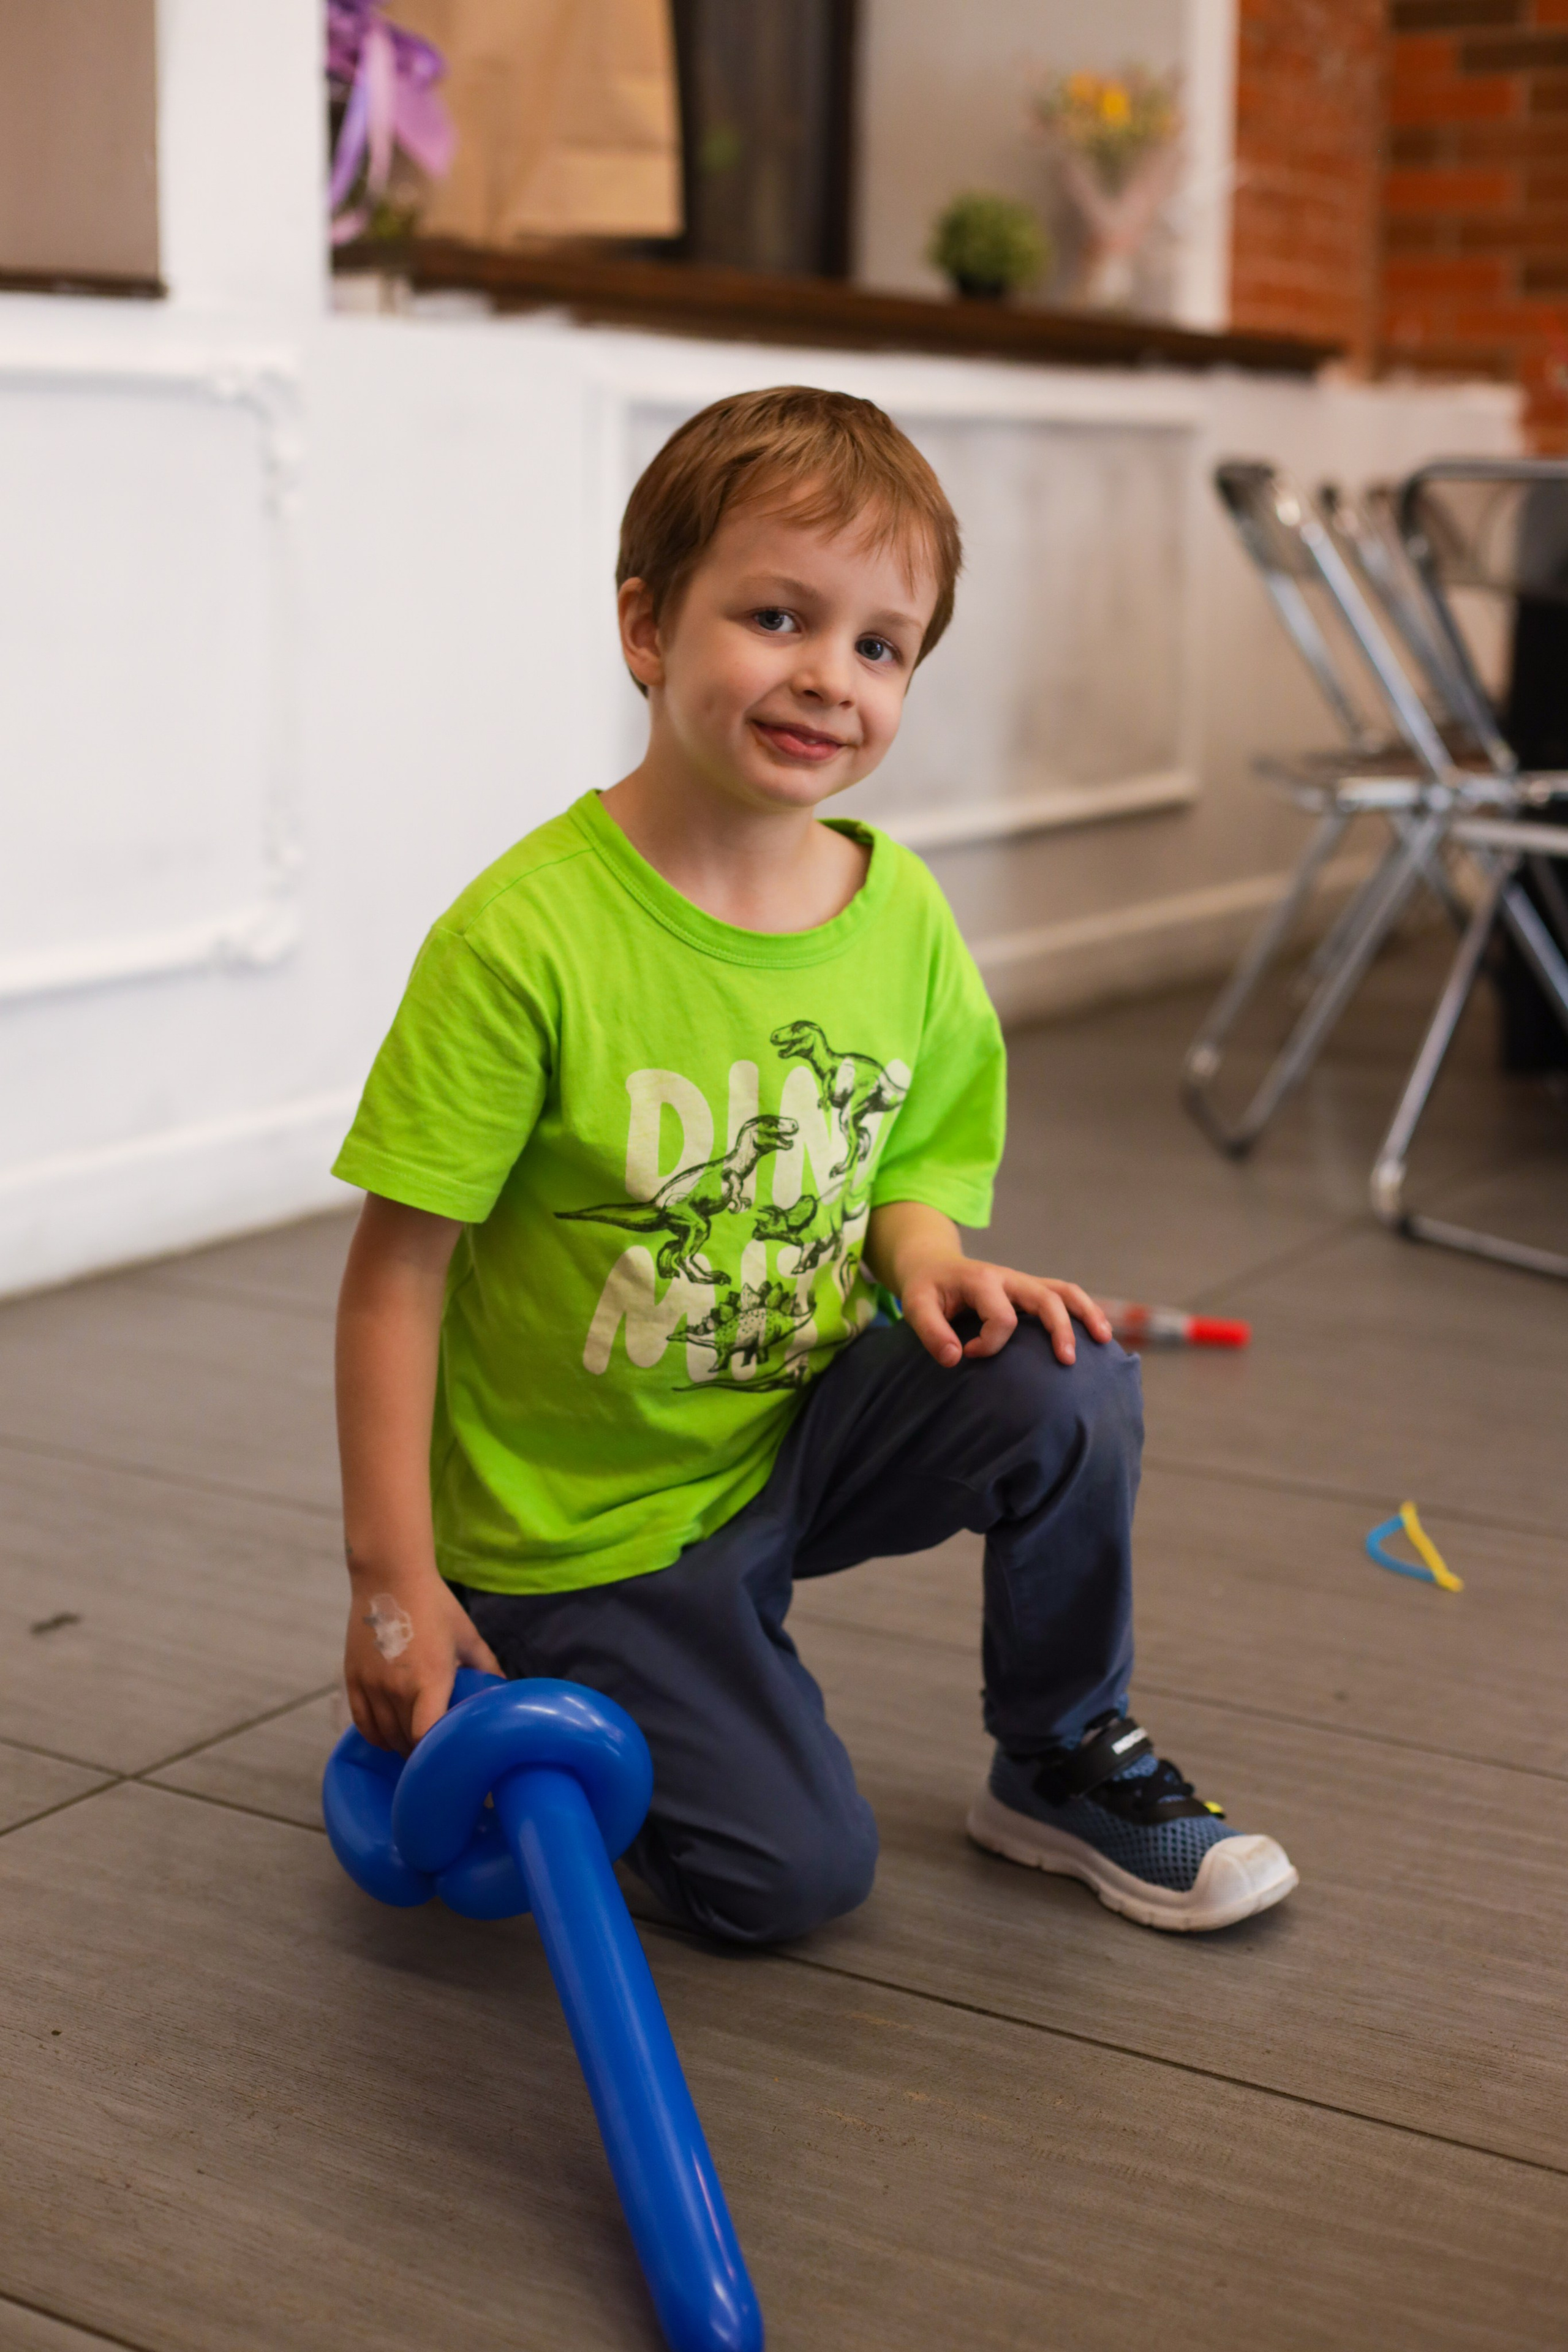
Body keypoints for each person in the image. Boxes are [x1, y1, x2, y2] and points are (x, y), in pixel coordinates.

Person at [333, 385, 1297, 1940]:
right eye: (776, 615)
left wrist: (927, 1260)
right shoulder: (521, 940)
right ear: (646, 625)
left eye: (877, 646)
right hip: (582, 1531)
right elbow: (395, 1281)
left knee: (1063, 1372)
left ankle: (1053, 1753)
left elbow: (911, 1156)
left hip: (784, 1433)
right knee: (792, 1883)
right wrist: (394, 1586)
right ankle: (611, 1700)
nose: (824, 678)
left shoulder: (894, 912)